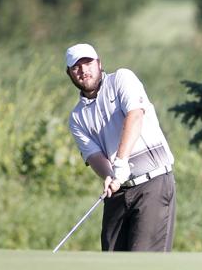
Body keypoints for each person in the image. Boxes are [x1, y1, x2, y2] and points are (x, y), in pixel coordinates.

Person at [64, 43, 176, 251]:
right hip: (118, 192)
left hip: (152, 183)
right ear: (69, 73)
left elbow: (135, 116)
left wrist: (121, 162)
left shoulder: (122, 79)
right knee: (112, 258)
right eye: (76, 67)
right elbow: (94, 155)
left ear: (99, 64)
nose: (83, 71)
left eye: (88, 63)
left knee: (144, 260)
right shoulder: (77, 117)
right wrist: (109, 175)